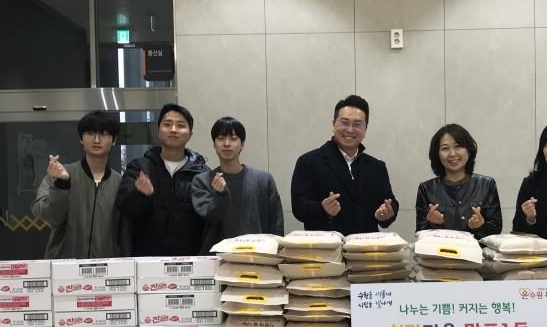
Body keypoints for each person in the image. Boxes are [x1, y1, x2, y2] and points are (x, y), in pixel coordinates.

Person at [291, 94, 399, 235]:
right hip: (326, 245)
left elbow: (390, 202)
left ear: (365, 129)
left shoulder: (376, 167)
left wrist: (387, 213)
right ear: (333, 124)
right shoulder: (308, 162)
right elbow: (298, 207)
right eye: (345, 123)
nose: (350, 130)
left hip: (366, 245)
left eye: (357, 124)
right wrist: (323, 209)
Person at [32, 111, 128, 258]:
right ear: (81, 139)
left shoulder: (121, 183)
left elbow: (125, 233)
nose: (97, 139)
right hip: (65, 267)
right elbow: (48, 215)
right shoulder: (62, 174)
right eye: (90, 133)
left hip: (107, 267)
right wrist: (62, 185)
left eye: (103, 134)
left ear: (114, 140)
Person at [116, 103, 208, 256]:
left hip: (189, 261)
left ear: (190, 134)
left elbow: (207, 221)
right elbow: (125, 211)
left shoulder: (202, 173)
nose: (173, 130)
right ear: (158, 131)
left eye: (180, 125)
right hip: (146, 260)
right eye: (167, 124)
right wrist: (141, 195)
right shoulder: (139, 167)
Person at [192, 117, 284, 253]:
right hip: (216, 258)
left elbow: (276, 224)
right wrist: (220, 195)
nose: (227, 143)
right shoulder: (202, 181)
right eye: (221, 138)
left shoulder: (264, 179)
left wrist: (276, 254)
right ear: (214, 145)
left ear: (242, 144)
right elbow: (211, 218)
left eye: (233, 138)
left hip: (257, 256)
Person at [415, 124, 501, 238]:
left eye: (458, 146)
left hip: (477, 249)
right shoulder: (426, 189)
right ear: (437, 155)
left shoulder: (486, 185)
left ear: (469, 150)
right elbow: (420, 233)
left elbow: (496, 230)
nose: (452, 154)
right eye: (445, 148)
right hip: (440, 249)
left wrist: (479, 226)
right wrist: (434, 225)